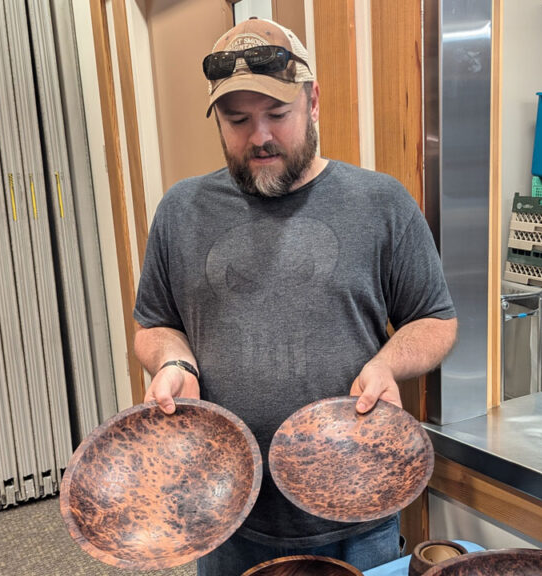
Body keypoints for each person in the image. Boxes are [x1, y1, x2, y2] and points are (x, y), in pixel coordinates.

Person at [132, 18, 458, 575]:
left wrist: (387, 364)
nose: (259, 136)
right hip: (224, 510)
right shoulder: (181, 211)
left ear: (313, 101)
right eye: (238, 119)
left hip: (357, 507)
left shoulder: (380, 203)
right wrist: (174, 361)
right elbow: (155, 323)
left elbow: (434, 320)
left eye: (277, 114)